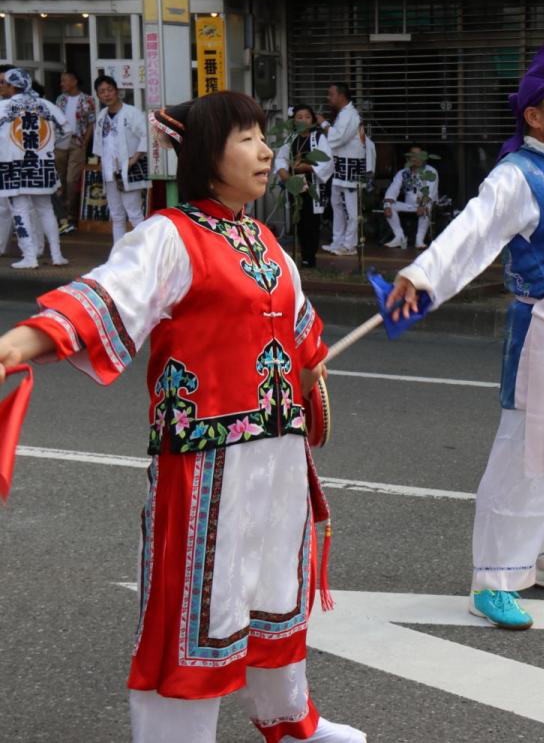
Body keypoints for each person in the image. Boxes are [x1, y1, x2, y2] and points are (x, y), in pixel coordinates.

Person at [0, 91, 364, 743]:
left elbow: (302, 336)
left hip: (277, 454)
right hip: (206, 460)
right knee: (195, 608)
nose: (264, 150)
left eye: (263, 136)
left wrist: (310, 370)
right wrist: (17, 345)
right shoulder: (169, 235)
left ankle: (289, 719)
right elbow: (103, 299)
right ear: (205, 157)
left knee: (275, 591)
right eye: (246, 138)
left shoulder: (264, 239)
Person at [387, 38, 544, 631]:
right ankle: (493, 580)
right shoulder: (515, 176)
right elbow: (471, 232)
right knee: (525, 452)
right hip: (542, 332)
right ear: (534, 116)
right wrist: (422, 273)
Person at [0, 68, 69, 269]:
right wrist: (48, 147)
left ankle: (30, 257)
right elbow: (66, 130)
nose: (2, 86)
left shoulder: (4, 107)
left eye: (4, 83)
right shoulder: (45, 105)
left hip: (13, 166)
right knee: (46, 209)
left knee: (20, 210)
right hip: (42, 164)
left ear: (12, 86)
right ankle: (57, 255)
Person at [274, 104, 332, 268]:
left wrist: (309, 167)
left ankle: (309, 257)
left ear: (312, 120)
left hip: (313, 186)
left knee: (311, 222)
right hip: (295, 185)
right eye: (299, 117)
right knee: (298, 220)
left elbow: (327, 161)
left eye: (307, 117)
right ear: (293, 121)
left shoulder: (318, 138)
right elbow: (281, 159)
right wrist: (284, 173)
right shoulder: (290, 138)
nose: (303, 120)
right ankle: (301, 255)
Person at [93, 75, 149, 244]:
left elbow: (146, 135)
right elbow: (99, 143)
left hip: (128, 169)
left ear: (117, 91)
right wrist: (101, 164)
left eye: (109, 90)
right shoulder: (102, 116)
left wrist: (134, 158)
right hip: (110, 171)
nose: (106, 94)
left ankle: (145, 250)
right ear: (98, 95)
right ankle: (117, 253)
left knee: (134, 213)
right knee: (116, 215)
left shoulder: (131, 112)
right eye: (102, 91)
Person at [317, 83, 365, 256]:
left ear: (341, 96)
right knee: (336, 204)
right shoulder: (344, 113)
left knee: (351, 209)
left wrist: (323, 123)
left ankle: (349, 245)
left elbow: (337, 138)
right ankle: (337, 241)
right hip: (342, 165)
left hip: (350, 167)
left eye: (331, 94)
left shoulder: (349, 114)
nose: (328, 98)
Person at [53, 70, 96, 233]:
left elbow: (91, 122)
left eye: (65, 80)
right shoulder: (60, 99)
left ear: (74, 81)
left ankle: (70, 214)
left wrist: (85, 142)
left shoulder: (87, 99)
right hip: (59, 143)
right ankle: (60, 216)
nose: (62, 84)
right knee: (59, 179)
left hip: (77, 142)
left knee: (72, 179)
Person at [382, 145, 438, 249]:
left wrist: (422, 205)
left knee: (427, 206)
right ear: (408, 158)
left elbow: (430, 192)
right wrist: (387, 204)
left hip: (426, 204)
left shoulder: (431, 171)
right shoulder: (403, 173)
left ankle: (419, 240)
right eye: (413, 155)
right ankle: (399, 237)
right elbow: (393, 189)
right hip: (410, 205)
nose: (416, 158)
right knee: (389, 205)